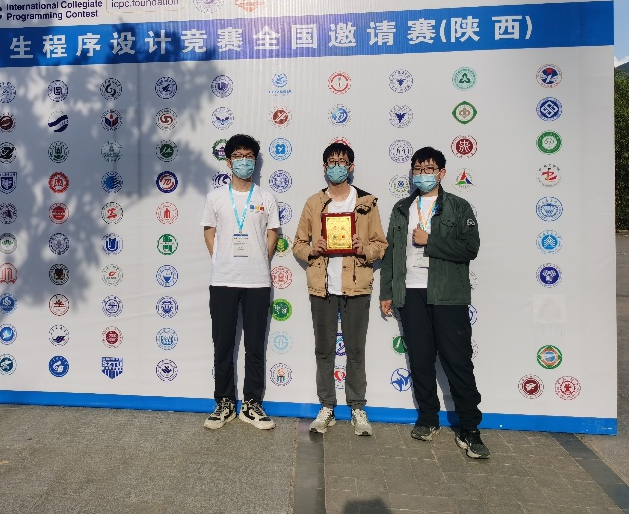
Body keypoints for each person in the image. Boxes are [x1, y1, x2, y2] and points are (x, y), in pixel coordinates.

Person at [379, 146, 488, 459]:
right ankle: (428, 418)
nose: (422, 174)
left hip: (447, 294)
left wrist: (431, 241)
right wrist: (387, 291)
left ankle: (470, 428)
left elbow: (470, 248)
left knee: (457, 361)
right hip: (410, 292)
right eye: (418, 169)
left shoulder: (458, 207)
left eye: (429, 169)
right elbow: (391, 252)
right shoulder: (402, 208)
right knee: (421, 359)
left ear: (442, 173)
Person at [292, 143, 388, 435]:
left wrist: (364, 249)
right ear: (324, 168)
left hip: (356, 286)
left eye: (342, 162)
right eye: (332, 162)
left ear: (351, 166)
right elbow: (298, 244)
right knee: (324, 350)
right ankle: (327, 406)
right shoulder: (314, 203)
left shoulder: (366, 203)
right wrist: (312, 250)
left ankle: (357, 407)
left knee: (356, 350)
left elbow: (381, 244)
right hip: (322, 287)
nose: (337, 167)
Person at [201, 134, 279, 430]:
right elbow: (209, 230)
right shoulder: (215, 198)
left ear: (255, 161)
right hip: (223, 280)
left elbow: (272, 233)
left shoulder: (265, 197)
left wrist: (259, 258)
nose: (243, 161)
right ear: (228, 161)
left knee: (255, 345)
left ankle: (252, 404)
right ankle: (224, 402)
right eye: (238, 156)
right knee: (223, 344)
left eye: (249, 156)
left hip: (257, 280)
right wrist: (220, 258)